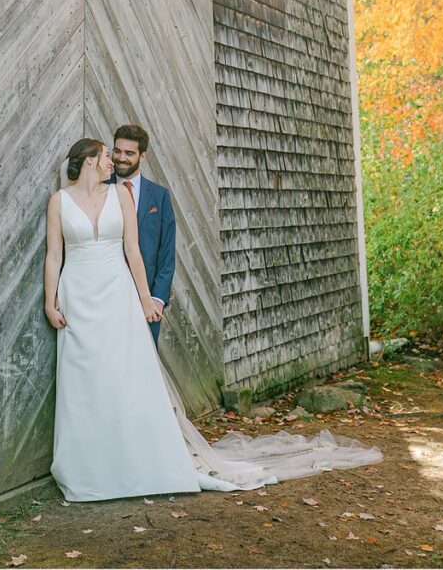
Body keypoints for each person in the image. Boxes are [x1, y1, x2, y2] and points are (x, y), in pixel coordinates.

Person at [45, 137, 383, 503]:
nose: (113, 161)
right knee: (85, 379)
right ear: (91, 161)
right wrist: (51, 302)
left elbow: (134, 253)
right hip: (78, 295)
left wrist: (145, 298)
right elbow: (53, 256)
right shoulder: (59, 202)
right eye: (107, 156)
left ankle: (136, 461)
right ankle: (88, 466)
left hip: (118, 295)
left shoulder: (120, 196)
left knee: (126, 376)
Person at [109, 124, 174, 348]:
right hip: (107, 294)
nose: (121, 158)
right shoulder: (100, 189)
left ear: (142, 156)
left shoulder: (159, 196)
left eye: (129, 153)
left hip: (146, 300)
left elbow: (167, 252)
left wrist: (157, 299)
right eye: (117, 151)